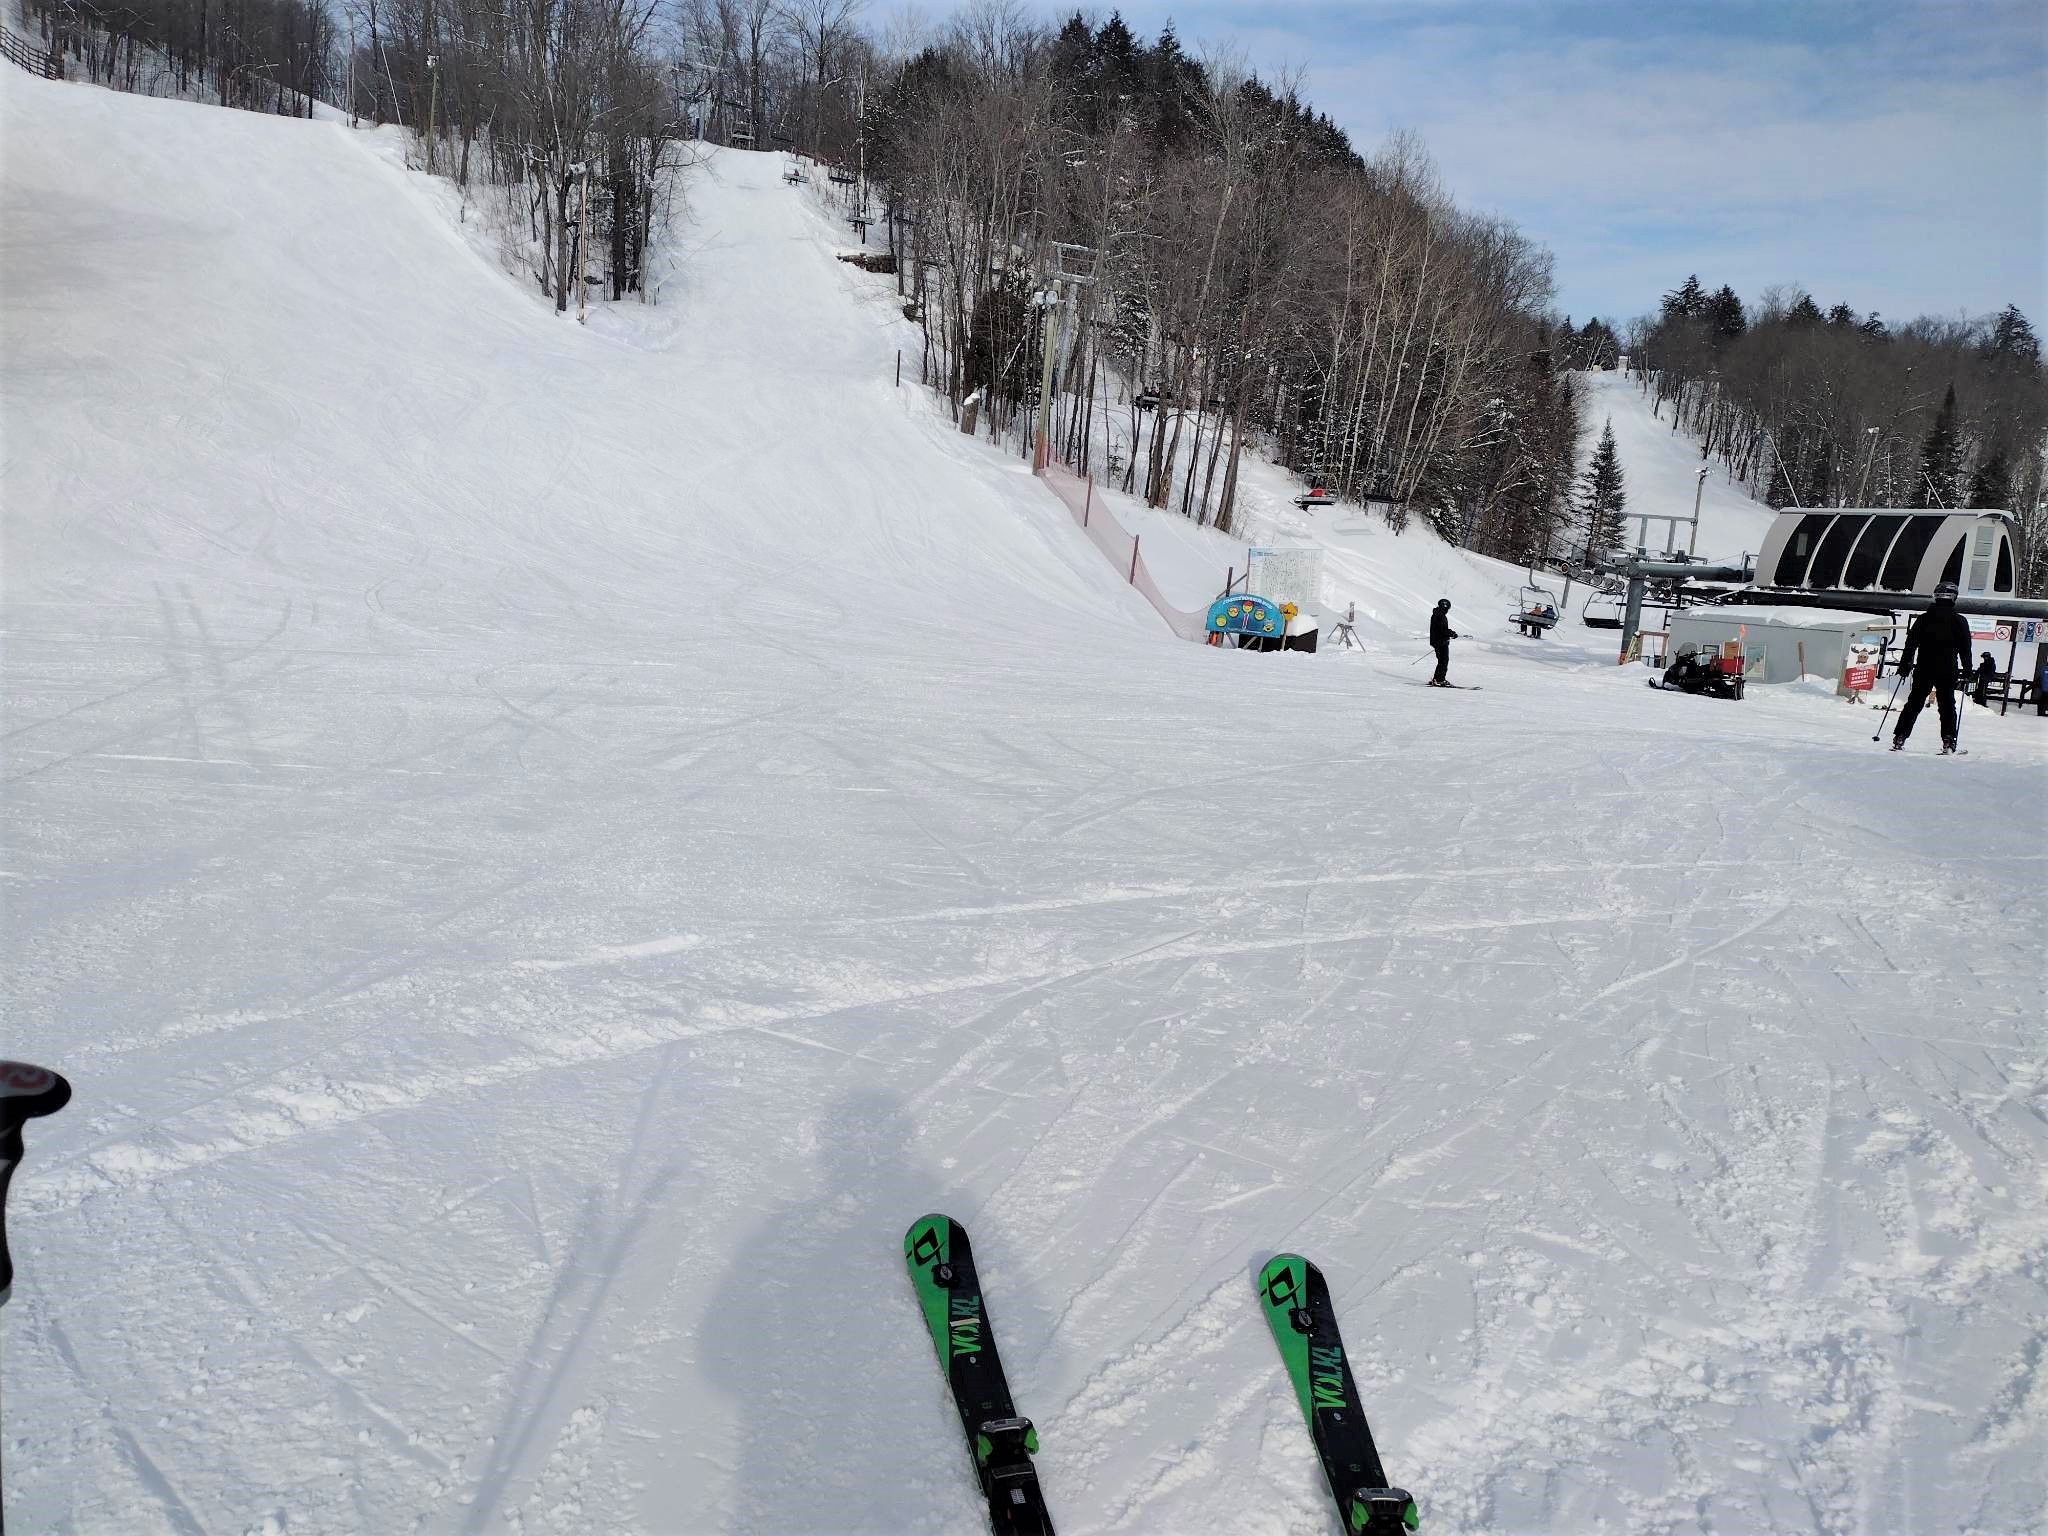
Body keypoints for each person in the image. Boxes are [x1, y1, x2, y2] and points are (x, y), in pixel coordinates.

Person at [1891, 582, 1973, 753]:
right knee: (1947, 705)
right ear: (1954, 597)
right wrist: (1967, 670)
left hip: (1924, 667)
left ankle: (1900, 737)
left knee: (1914, 703)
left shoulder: (1923, 619)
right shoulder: (1959, 621)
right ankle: (1948, 740)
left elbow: (1911, 644)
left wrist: (1905, 664)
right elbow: (1965, 649)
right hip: (1947, 669)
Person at [1428, 599, 1458, 686]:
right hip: (1440, 641)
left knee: (1442, 660)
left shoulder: (1438, 614)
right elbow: (1442, 630)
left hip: (1439, 640)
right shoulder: (1440, 615)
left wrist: (1450, 633)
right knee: (1443, 661)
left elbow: (1441, 629)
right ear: (1445, 607)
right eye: (1448, 608)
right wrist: (1452, 634)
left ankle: (1437, 679)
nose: (1448, 610)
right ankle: (1440, 680)